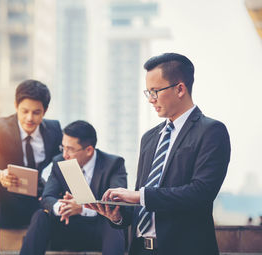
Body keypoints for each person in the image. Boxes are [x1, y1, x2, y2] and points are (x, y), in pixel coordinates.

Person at [87, 53, 231, 255]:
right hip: (140, 250)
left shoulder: (211, 131)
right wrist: (118, 216)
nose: (151, 100)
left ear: (180, 89)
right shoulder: (150, 138)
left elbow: (201, 193)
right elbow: (143, 201)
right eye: (148, 92)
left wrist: (139, 196)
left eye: (155, 91)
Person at [0, 80, 63, 255]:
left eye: (36, 112)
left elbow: (62, 163)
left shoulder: (54, 129)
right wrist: (0, 175)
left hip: (36, 202)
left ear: (45, 111)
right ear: (16, 106)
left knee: (52, 199)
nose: (30, 118)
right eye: (25, 111)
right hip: (6, 202)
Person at [20, 120, 127, 255]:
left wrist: (82, 208)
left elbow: (117, 204)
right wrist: (64, 207)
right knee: (41, 215)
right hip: (67, 228)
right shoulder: (60, 162)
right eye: (63, 147)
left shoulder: (113, 164)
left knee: (112, 222)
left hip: (98, 232)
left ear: (89, 150)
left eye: (70, 149)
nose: (65, 154)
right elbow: (47, 198)